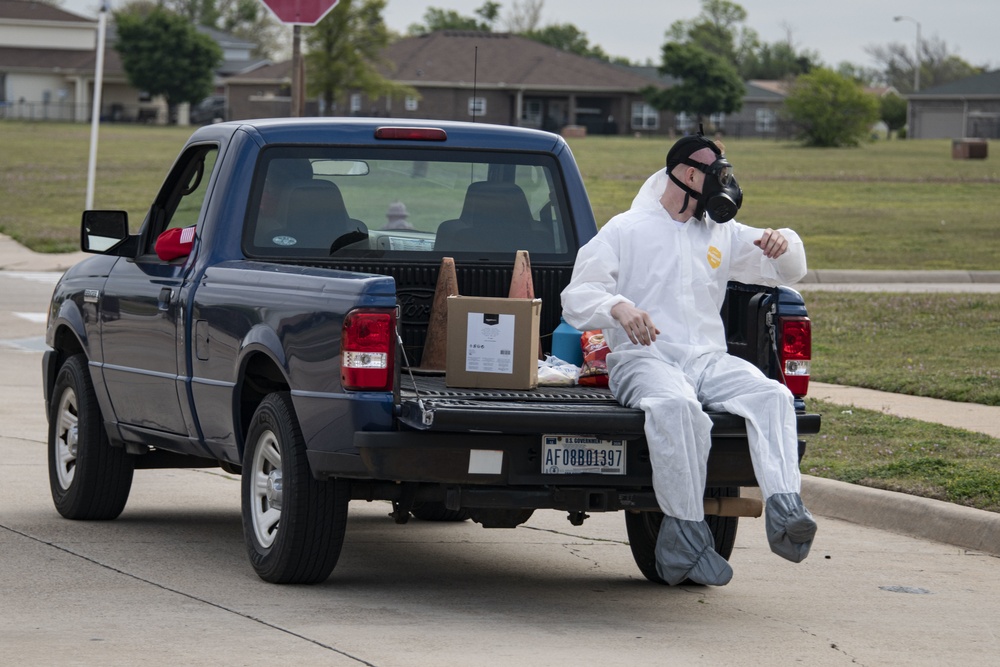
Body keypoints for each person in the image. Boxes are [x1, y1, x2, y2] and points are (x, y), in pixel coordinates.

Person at [560, 129, 817, 586]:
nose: (725, 183)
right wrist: (617, 307)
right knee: (677, 407)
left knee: (772, 395)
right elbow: (577, 297)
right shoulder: (626, 229)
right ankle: (682, 533)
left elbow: (789, 269)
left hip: (706, 359)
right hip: (643, 359)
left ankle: (785, 509)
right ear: (685, 175)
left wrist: (785, 242)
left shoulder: (721, 232)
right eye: (716, 174)